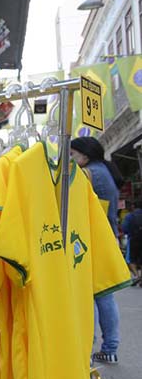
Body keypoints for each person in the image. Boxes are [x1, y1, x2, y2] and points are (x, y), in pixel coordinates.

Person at [70, 136, 124, 363]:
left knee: (88, 293)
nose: (71, 159)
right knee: (104, 293)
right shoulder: (106, 171)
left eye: (73, 154)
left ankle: (87, 350)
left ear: (84, 154)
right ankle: (110, 347)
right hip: (106, 236)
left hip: (90, 238)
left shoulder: (88, 174)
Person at [122, 197, 142, 286]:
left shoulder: (130, 216)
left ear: (133, 206)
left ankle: (136, 275)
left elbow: (124, 228)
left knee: (131, 259)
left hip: (133, 239)